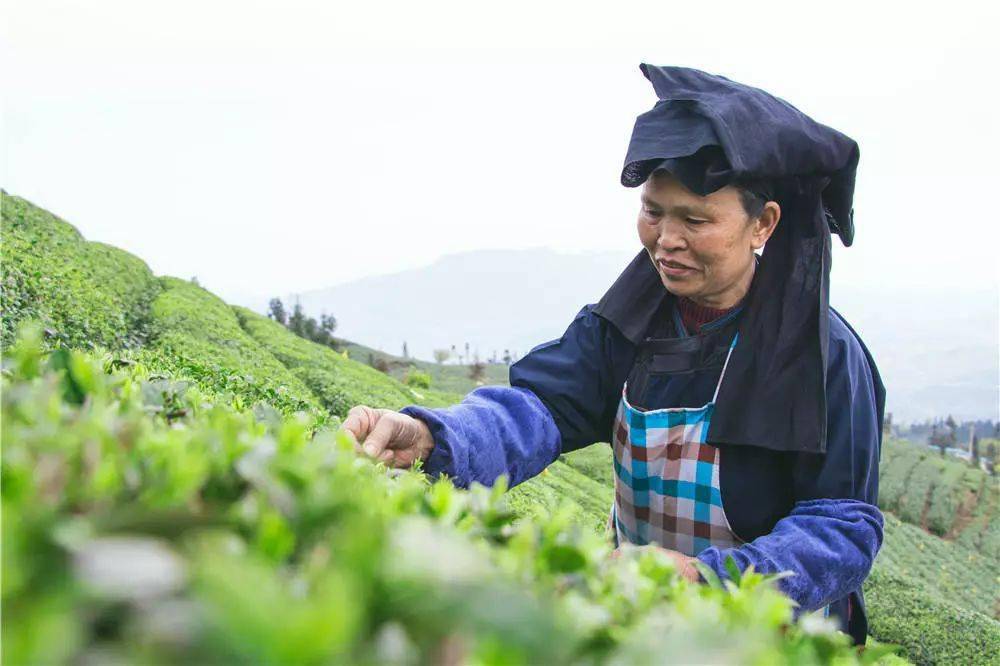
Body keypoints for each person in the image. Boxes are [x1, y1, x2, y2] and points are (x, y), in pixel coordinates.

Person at [340, 64, 886, 646]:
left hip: (773, 644)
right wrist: (433, 435)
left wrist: (710, 582)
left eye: (695, 220)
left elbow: (840, 526)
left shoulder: (823, 358)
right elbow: (537, 408)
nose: (666, 240)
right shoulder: (626, 324)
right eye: (654, 212)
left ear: (763, 225)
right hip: (641, 628)